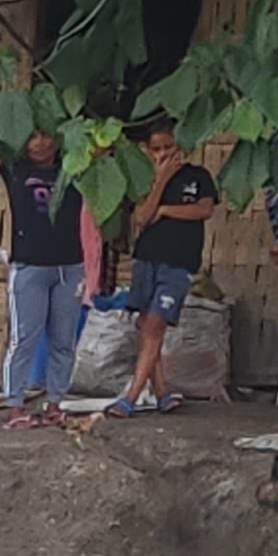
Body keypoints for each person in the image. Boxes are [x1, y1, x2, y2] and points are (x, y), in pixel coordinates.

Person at [115, 113, 217, 416]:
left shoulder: (198, 176)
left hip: (179, 262)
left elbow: (204, 210)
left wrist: (165, 210)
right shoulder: (144, 179)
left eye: (168, 148)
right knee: (145, 324)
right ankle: (161, 393)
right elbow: (141, 217)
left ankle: (130, 397)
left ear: (180, 146)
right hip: (146, 259)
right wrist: (160, 181)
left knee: (155, 324)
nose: (163, 155)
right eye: (156, 149)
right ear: (147, 150)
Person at [0, 126, 85, 425]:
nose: (39, 143)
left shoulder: (73, 170)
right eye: (32, 136)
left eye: (46, 135)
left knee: (63, 340)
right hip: (29, 266)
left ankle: (55, 403)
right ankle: (14, 404)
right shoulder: (15, 170)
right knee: (23, 338)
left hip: (69, 266)